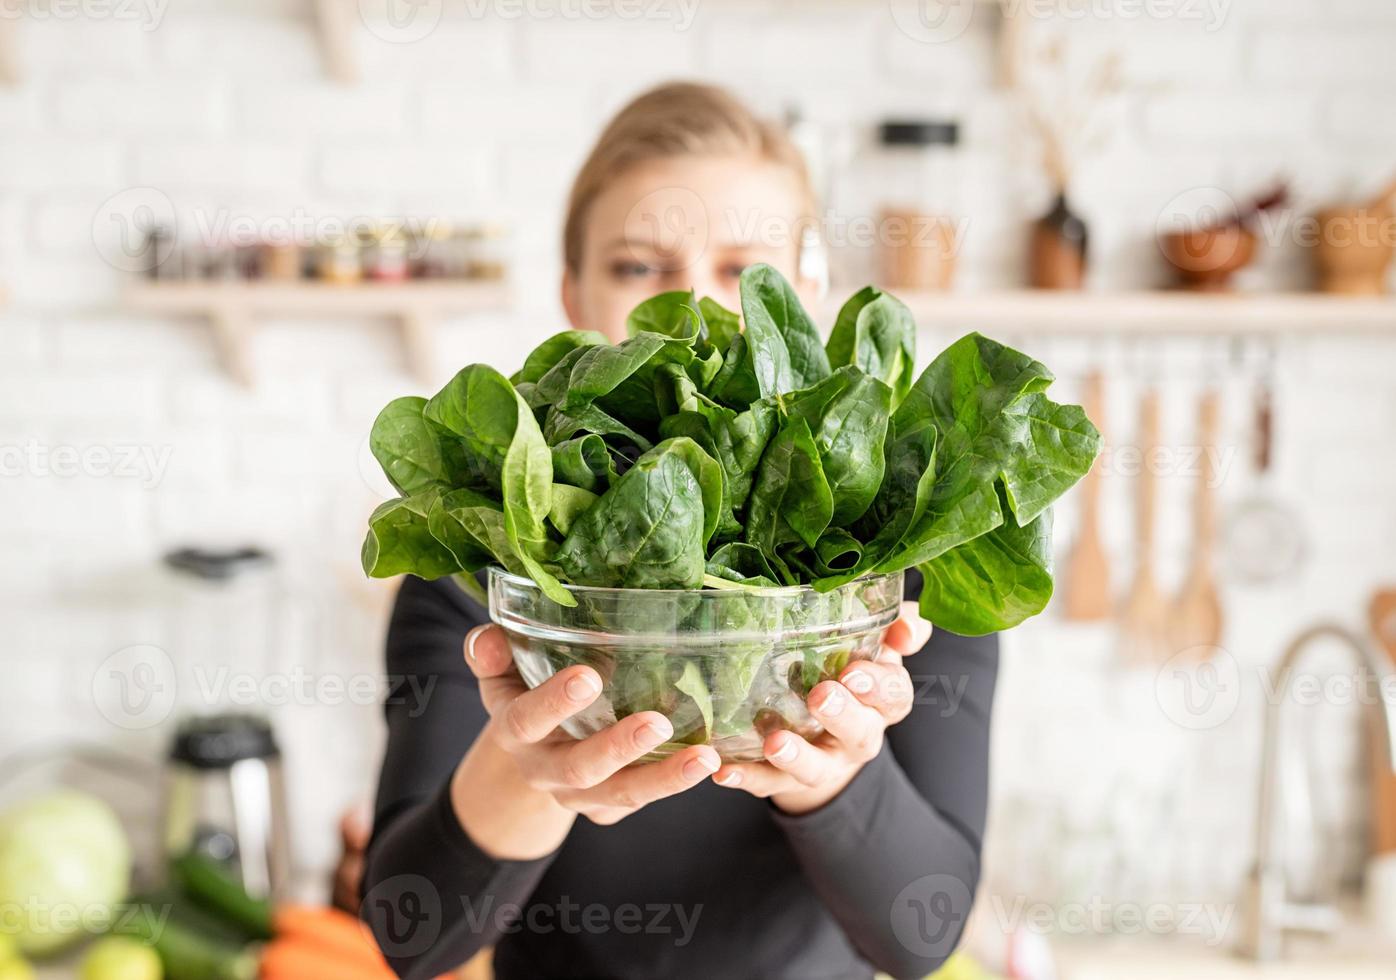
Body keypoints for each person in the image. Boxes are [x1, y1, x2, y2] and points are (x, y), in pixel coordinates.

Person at [355, 82, 998, 980]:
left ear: (807, 293)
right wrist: (527, 769)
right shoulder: (484, 556)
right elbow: (411, 936)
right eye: (637, 266)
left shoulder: (913, 552)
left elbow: (921, 934)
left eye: (743, 269)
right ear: (572, 292)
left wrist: (836, 776)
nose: (694, 302)